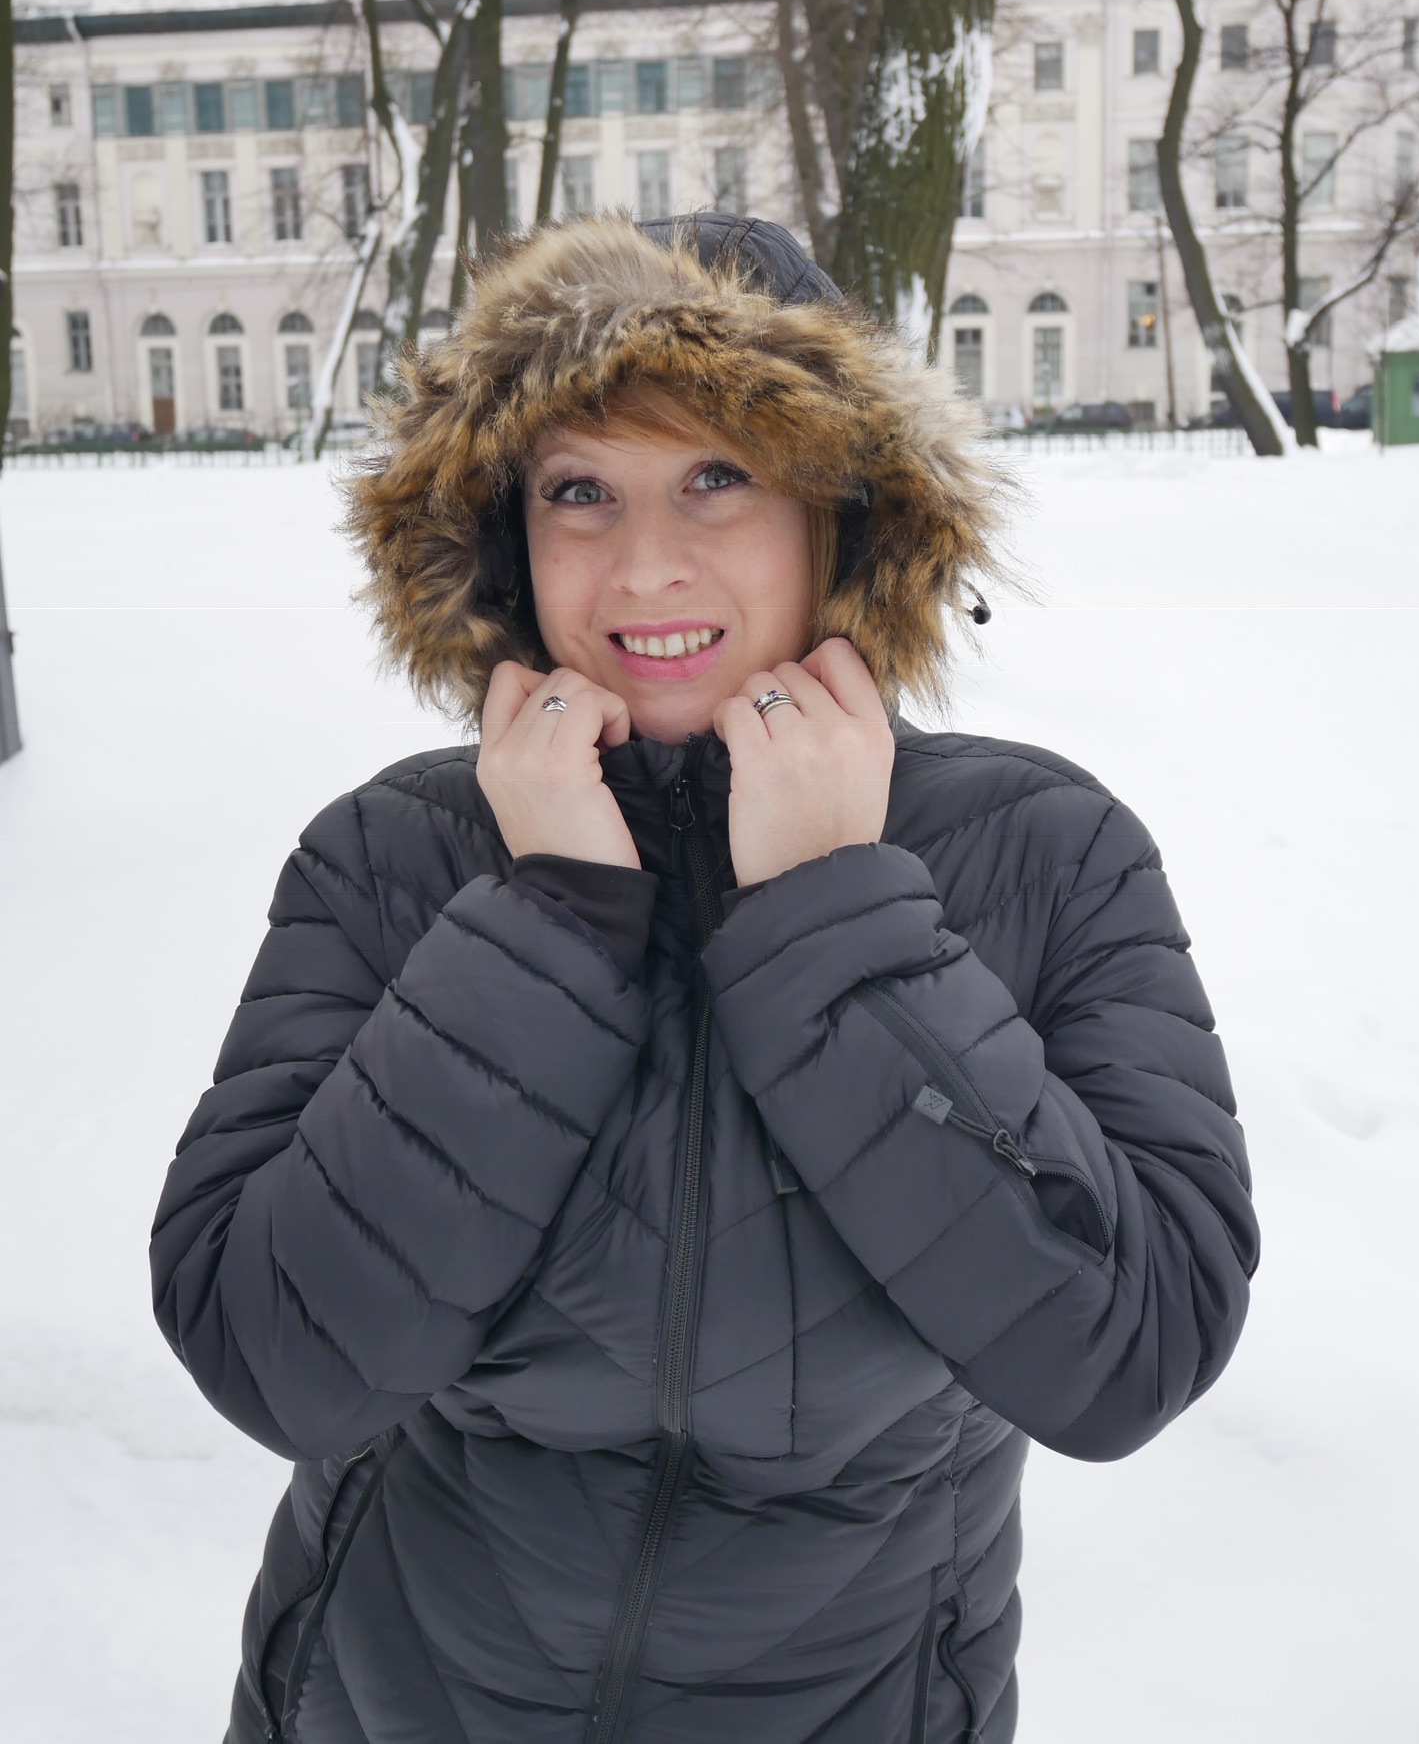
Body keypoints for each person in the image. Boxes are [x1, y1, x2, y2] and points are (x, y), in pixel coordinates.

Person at [151, 212, 1258, 1744]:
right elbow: (270, 1351)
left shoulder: (1044, 854)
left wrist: (835, 919)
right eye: (581, 489)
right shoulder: (391, 858)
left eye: (720, 476)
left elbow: (1130, 1347)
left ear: (843, 513)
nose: (644, 564)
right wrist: (543, 917)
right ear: (501, 534)